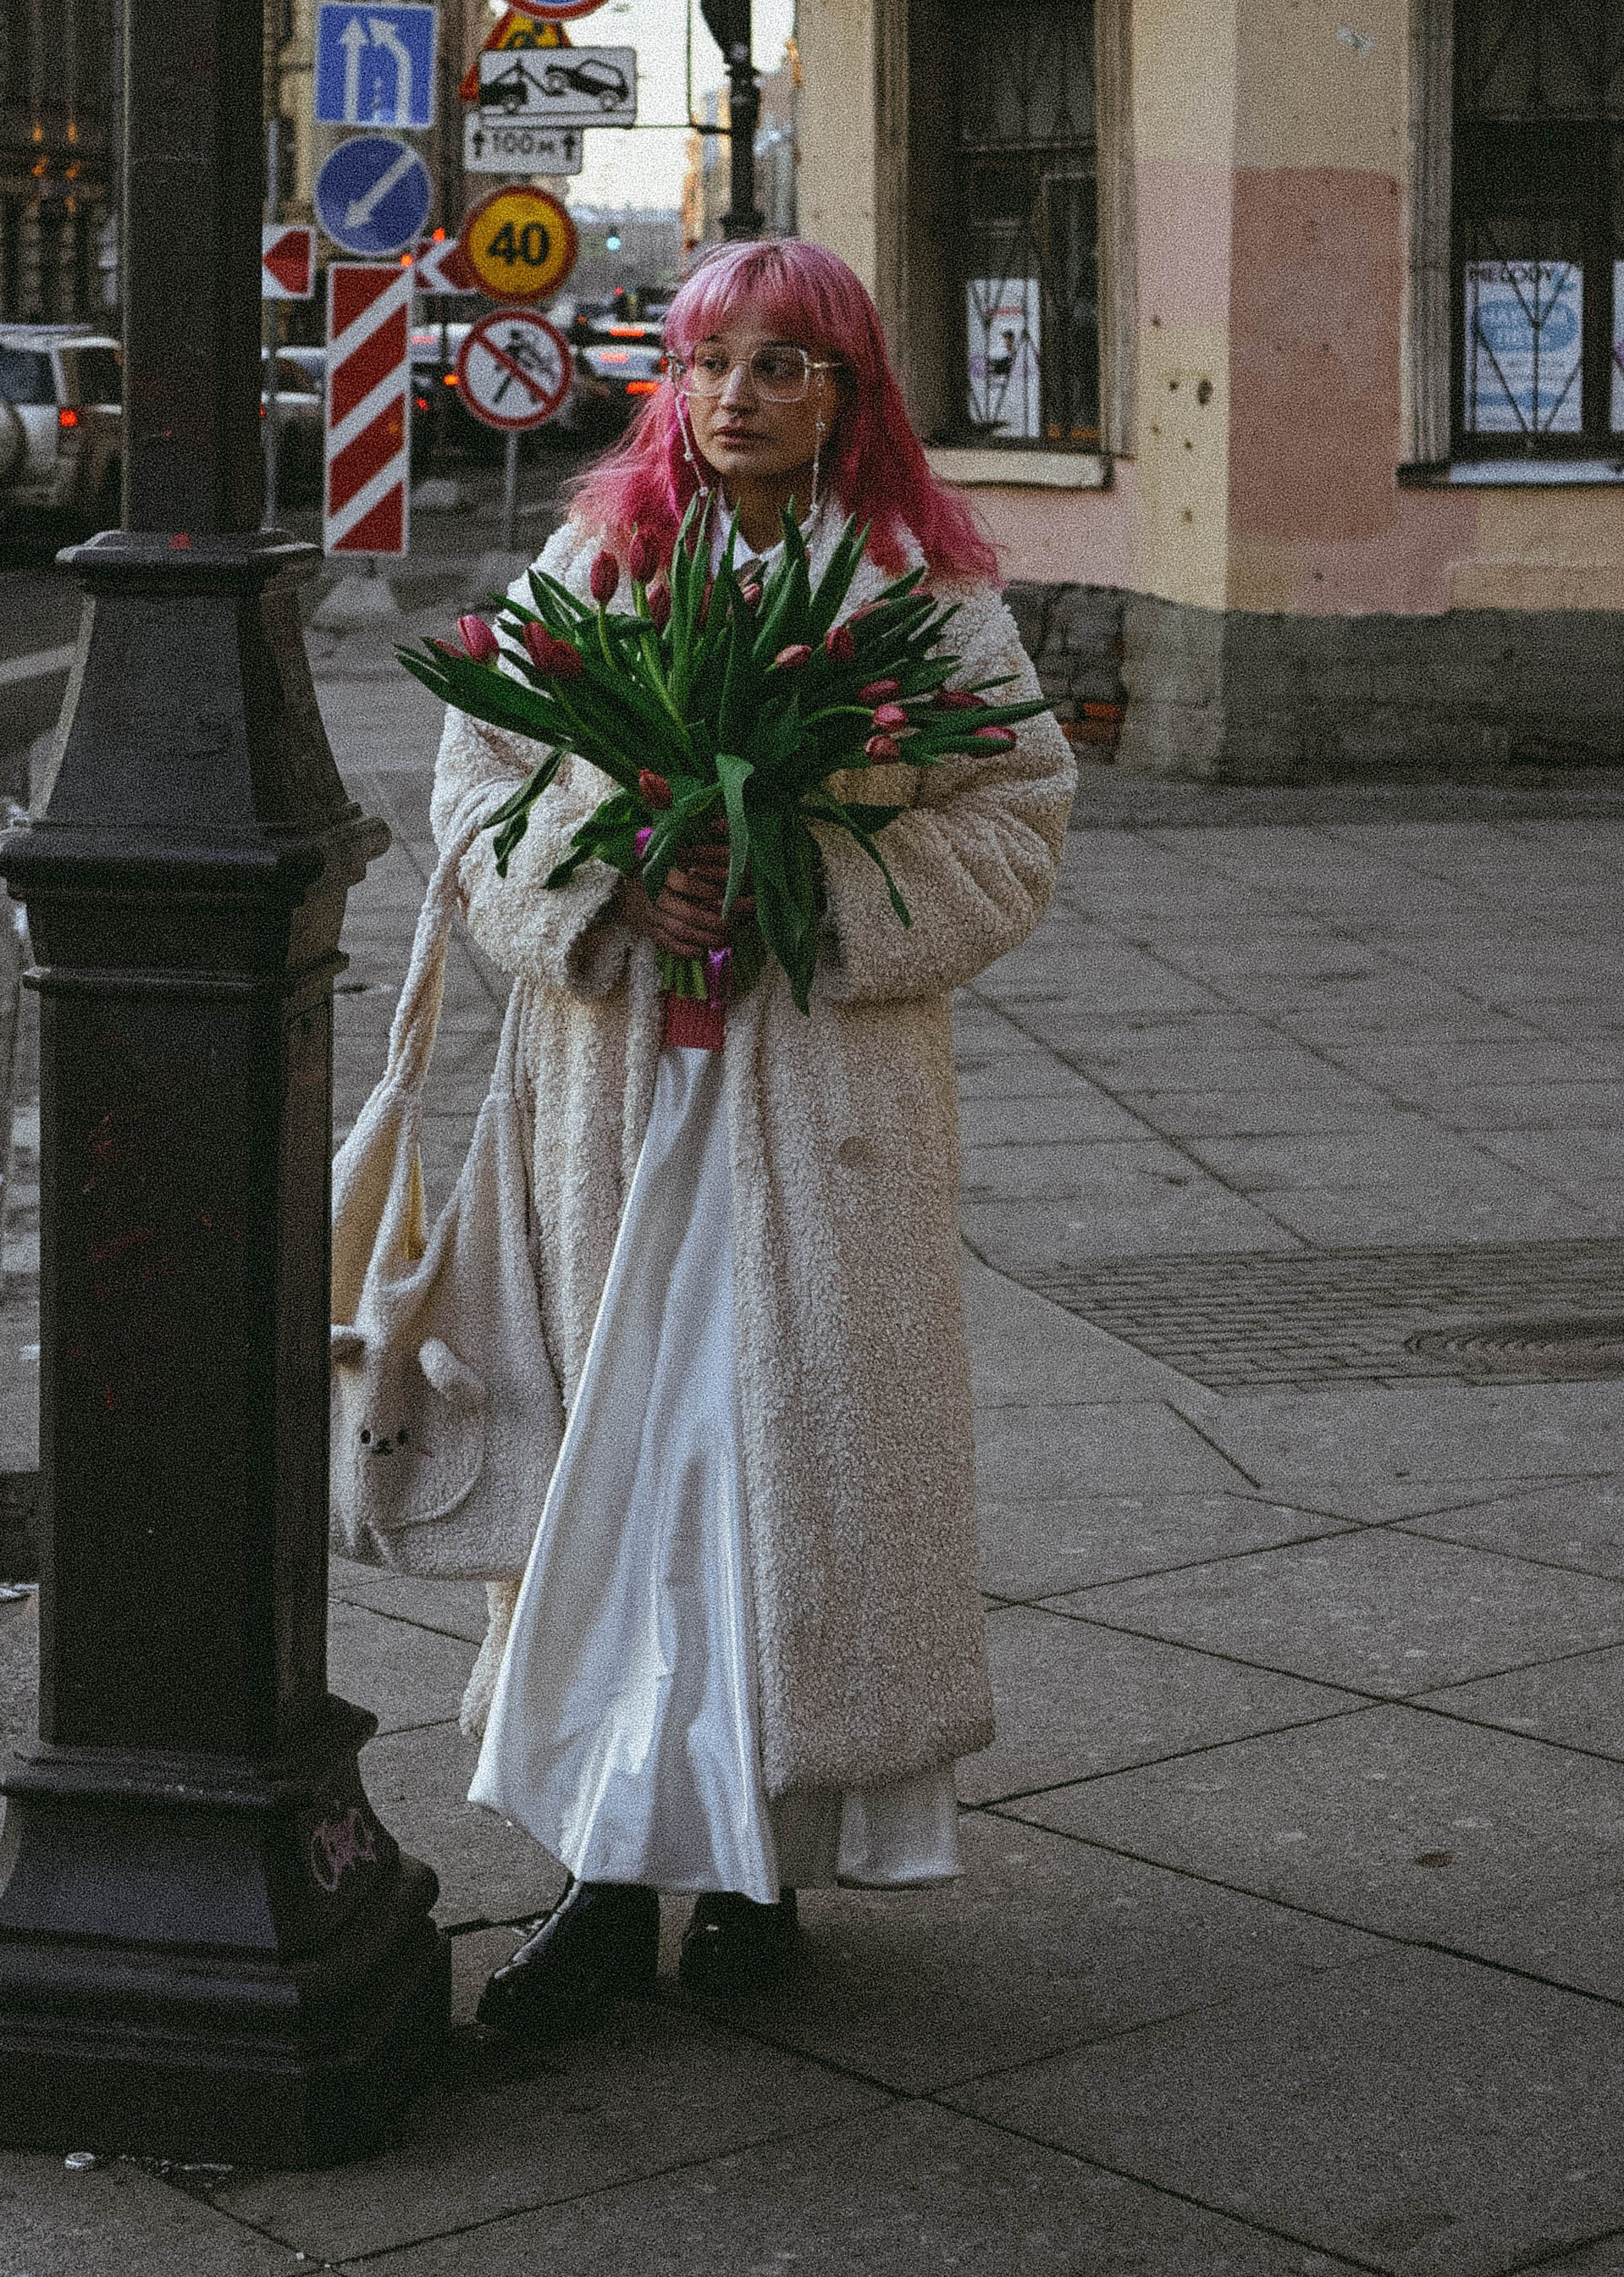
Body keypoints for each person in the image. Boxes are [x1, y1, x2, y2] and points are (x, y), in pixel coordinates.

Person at [427, 237, 1075, 2038]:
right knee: (618, 1474)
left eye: (785, 365)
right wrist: (618, 872)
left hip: (820, 1114)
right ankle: (598, 1876)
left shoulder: (913, 590)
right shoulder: (603, 560)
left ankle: (754, 1865)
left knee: (765, 1473)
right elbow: (476, 794)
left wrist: (803, 872)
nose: (737, 396)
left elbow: (1018, 816)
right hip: (623, 1102)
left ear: (848, 395)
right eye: (709, 359)